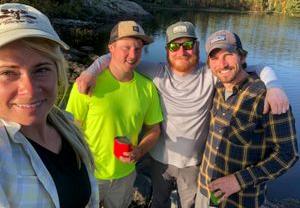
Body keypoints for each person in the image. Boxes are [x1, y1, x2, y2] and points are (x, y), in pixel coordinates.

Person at [75, 21, 290, 208]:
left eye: (187, 45)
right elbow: (117, 58)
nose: (182, 51)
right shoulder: (155, 72)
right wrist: (90, 71)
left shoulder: (213, 72)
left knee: (188, 205)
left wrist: (273, 86)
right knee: (158, 202)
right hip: (160, 161)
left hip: (194, 164)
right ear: (167, 50)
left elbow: (253, 67)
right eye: (174, 46)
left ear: (196, 47)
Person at [0, 3, 98, 208]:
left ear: (58, 71)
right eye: (8, 72)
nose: (30, 89)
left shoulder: (66, 124)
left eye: (41, 69)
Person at [65, 20, 163, 208]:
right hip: (89, 174)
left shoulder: (147, 88)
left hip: (125, 177)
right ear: (111, 47)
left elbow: (154, 129)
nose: (132, 55)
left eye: (138, 49)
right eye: (126, 48)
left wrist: (140, 151)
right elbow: (70, 130)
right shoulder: (87, 85)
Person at [196, 30, 299, 208]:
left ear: (242, 57)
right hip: (205, 191)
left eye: (228, 55)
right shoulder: (218, 88)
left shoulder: (267, 97)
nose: (222, 64)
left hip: (239, 201)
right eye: (215, 58)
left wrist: (238, 180)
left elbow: (288, 154)